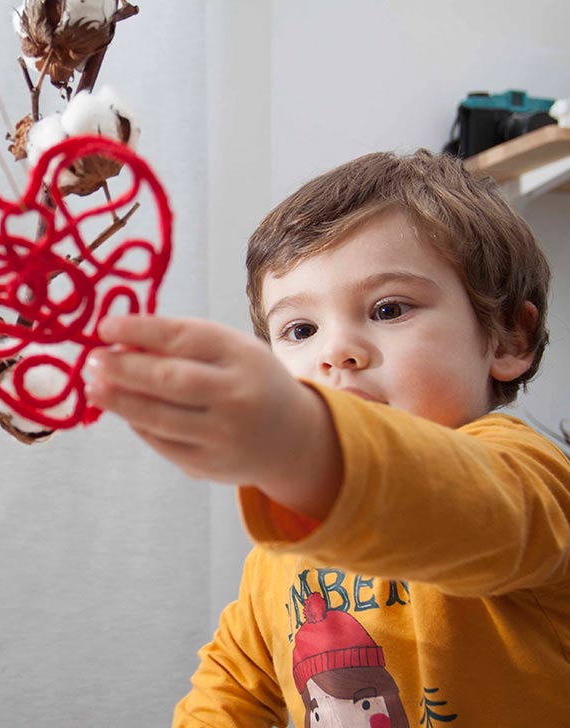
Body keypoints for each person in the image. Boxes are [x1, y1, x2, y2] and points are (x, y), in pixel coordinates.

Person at [84, 149, 570, 726]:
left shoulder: (533, 479)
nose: (334, 351)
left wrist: (300, 440)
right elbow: (231, 689)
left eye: (388, 309)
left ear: (509, 338)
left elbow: (465, 506)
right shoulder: (280, 550)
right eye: (300, 329)